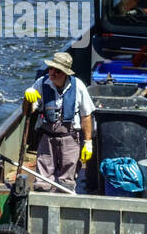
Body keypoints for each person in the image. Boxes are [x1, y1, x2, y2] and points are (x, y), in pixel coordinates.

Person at [23, 50, 95, 192]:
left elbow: (86, 116)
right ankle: (42, 204)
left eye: (58, 71)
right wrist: (27, 99)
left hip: (70, 138)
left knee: (67, 180)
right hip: (46, 138)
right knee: (42, 178)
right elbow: (27, 112)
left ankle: (65, 204)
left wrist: (88, 142)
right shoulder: (41, 83)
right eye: (51, 69)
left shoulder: (78, 86)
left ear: (66, 73)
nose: (52, 73)